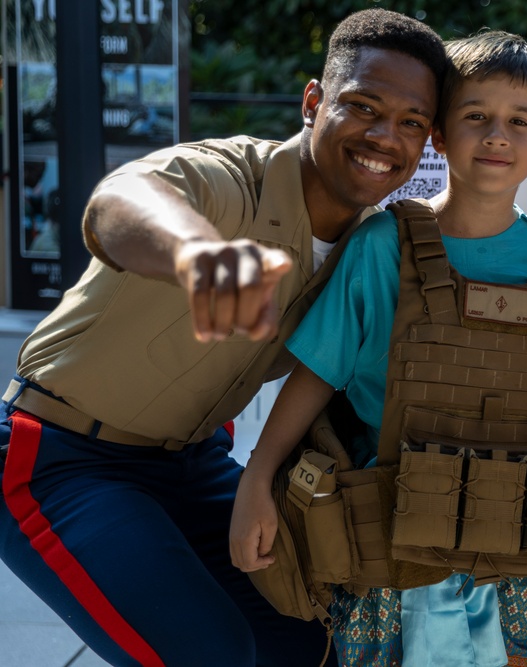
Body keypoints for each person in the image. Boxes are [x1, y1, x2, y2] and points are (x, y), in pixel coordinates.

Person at [0, 9, 449, 666]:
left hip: (192, 462)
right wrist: (198, 255)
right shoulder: (230, 177)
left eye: (411, 122)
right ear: (312, 101)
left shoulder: (369, 248)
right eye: (363, 106)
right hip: (61, 458)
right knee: (209, 652)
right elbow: (124, 197)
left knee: (308, 639)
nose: (386, 136)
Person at [230, 30, 527, 667]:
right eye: (475, 117)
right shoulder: (383, 245)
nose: (497, 136)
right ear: (439, 134)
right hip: (384, 537)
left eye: (519, 122)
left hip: (516, 543)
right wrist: (257, 478)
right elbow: (317, 374)